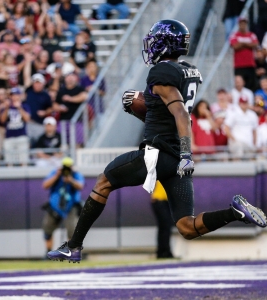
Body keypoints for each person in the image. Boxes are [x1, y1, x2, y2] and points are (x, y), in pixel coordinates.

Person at [47, 19, 267, 263]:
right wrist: (143, 107)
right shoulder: (189, 71)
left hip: (159, 154)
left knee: (103, 183)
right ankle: (235, 211)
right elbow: (169, 115)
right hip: (173, 158)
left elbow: (181, 113)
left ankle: (74, 246)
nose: (151, 45)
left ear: (164, 43)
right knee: (187, 227)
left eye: (154, 40)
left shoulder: (161, 72)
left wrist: (186, 154)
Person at [42, 157, 84, 258]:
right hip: (55, 206)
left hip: (71, 206)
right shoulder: (55, 173)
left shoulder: (76, 174)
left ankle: (71, 253)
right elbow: (45, 185)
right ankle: (48, 252)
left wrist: (71, 180)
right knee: (47, 228)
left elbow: (80, 186)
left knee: (72, 230)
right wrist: (57, 175)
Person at [0, 87, 31, 165]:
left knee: (23, 160)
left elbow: (27, 119)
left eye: (16, 94)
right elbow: (2, 120)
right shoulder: (6, 107)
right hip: (9, 136)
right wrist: (7, 107)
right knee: (9, 161)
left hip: (21, 135)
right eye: (12, 95)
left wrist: (19, 108)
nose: (14, 97)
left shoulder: (25, 106)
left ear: (20, 96)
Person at [230, 17, 259, 92]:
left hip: (250, 65)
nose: (243, 25)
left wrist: (241, 43)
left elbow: (256, 44)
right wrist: (248, 44)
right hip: (239, 65)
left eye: (244, 23)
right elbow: (235, 46)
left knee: (252, 85)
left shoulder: (251, 34)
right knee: (239, 85)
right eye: (241, 23)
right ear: (239, 24)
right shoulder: (235, 35)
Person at [151, 181, 174, 259]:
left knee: (165, 227)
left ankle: (163, 251)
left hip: (165, 200)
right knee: (165, 226)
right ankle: (164, 251)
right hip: (159, 200)